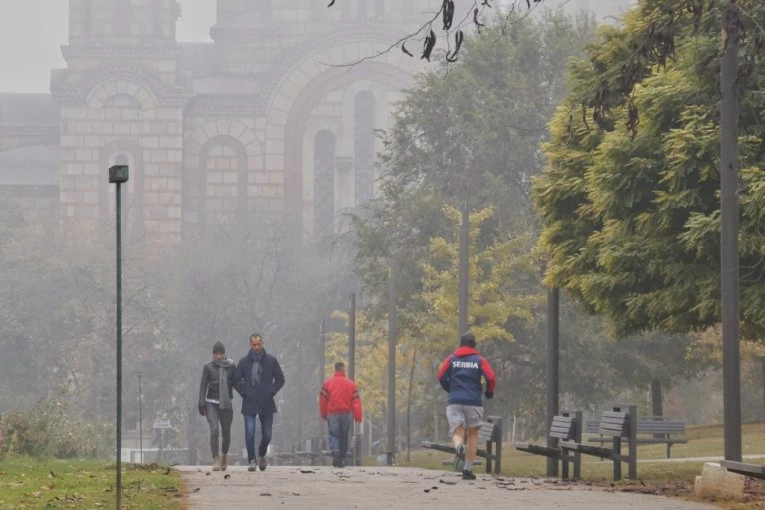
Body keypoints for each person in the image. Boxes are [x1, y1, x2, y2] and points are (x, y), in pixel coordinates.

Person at [437, 332, 496, 480]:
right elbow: (491, 377)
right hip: (473, 401)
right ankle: (467, 470)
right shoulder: (479, 360)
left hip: (455, 400)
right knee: (473, 434)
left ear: (461, 344)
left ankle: (458, 447)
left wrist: (448, 388)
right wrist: (489, 391)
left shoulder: (452, 359)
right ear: (474, 344)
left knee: (457, 432)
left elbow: (440, 375)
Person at [233, 333, 285, 472]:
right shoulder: (244, 362)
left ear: (262, 344)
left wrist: (271, 390)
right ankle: (252, 460)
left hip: (266, 401)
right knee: (249, 431)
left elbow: (280, 379)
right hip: (249, 401)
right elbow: (235, 380)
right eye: (254, 345)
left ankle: (261, 454)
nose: (257, 347)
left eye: (259, 344)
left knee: (267, 434)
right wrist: (244, 392)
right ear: (250, 345)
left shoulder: (271, 361)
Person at [198, 341, 237, 471]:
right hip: (211, 403)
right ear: (213, 354)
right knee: (214, 430)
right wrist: (201, 402)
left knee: (226, 433)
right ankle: (215, 458)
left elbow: (236, 383)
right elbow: (203, 385)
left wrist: (248, 394)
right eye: (216, 354)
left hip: (226, 404)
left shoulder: (231, 366)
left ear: (225, 354)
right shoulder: (208, 367)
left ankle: (224, 456)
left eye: (221, 353)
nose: (219, 356)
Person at [319, 361, 363, 468]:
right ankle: (342, 458)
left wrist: (324, 414)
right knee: (344, 436)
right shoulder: (351, 384)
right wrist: (358, 416)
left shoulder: (327, 384)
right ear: (343, 370)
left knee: (334, 434)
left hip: (333, 413)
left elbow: (323, 401)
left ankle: (335, 454)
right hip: (345, 414)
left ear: (335, 369)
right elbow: (356, 402)